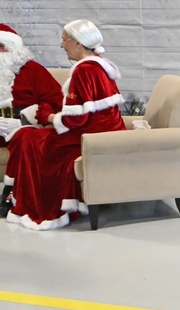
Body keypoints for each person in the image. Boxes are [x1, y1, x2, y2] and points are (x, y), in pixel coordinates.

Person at [3, 20, 126, 230]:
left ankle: (25, 201)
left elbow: (75, 119)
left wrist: (47, 116)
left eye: (64, 40)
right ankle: (14, 197)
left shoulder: (84, 71)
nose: (62, 45)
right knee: (28, 136)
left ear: (78, 43)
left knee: (27, 138)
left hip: (87, 136)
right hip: (101, 132)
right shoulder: (99, 65)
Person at [0, 23, 65, 216]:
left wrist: (26, 120)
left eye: (4, 47)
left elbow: (57, 104)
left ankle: (9, 194)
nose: (0, 53)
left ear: (15, 50)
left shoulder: (34, 71)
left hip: (20, 128)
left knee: (24, 138)